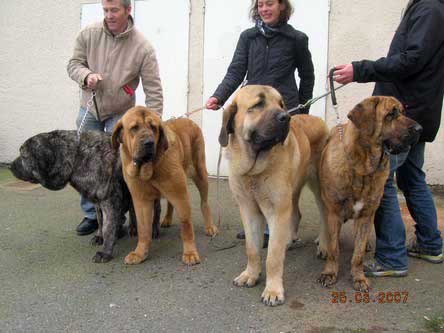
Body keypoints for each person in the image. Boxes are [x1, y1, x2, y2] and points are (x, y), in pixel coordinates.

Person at [333, 0, 444, 276]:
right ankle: (430, 244)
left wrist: (360, 69)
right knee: (412, 178)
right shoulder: (431, 8)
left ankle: (392, 258)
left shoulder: (429, 8)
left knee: (382, 183)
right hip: (419, 110)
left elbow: (412, 60)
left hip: (403, 116)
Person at [206, 0, 315, 247]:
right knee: (252, 172)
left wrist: (303, 110)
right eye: (261, 5)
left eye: (270, 4)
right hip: (254, 115)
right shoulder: (248, 37)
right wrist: (219, 96)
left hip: (281, 112)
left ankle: (273, 227)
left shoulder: (297, 39)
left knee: (277, 177)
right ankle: (257, 222)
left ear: (282, 7)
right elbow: (236, 70)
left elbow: (307, 75)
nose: (265, 9)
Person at [67, 0, 163, 236]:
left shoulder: (143, 47)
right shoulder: (88, 34)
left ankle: (119, 215)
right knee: (87, 165)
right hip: (89, 110)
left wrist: (155, 126)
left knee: (118, 167)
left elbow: (154, 90)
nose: (109, 15)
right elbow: (73, 64)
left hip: (121, 114)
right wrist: (85, 75)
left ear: (128, 11)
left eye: (114, 10)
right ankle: (92, 215)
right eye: (105, 10)